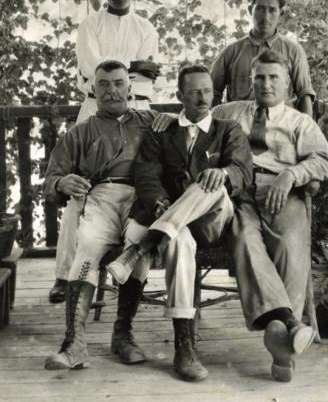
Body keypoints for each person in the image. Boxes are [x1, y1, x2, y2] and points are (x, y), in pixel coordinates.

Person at [105, 65, 253, 381]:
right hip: (173, 219)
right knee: (178, 240)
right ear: (179, 96)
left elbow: (243, 171)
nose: (203, 98)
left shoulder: (228, 130)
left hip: (213, 219)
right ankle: (184, 347)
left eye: (208, 91)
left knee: (208, 183)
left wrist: (224, 173)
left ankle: (144, 245)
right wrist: (159, 201)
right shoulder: (163, 131)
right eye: (195, 92)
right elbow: (146, 174)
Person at [212, 49, 328, 382]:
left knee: (291, 247)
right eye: (260, 78)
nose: (266, 84)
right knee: (244, 236)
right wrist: (164, 118)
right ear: (250, 82)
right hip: (240, 192)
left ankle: (281, 336)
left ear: (287, 85)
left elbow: (324, 160)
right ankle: (288, 331)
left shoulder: (299, 122)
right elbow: (193, 121)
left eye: (273, 78)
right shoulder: (228, 112)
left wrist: (292, 175)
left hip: (284, 191)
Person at [49, 0, 160, 304]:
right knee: (78, 193)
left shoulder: (146, 28)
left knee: (135, 186)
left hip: (137, 114)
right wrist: (132, 67)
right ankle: (65, 276)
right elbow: (91, 68)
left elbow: (145, 80)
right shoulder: (89, 25)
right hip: (94, 111)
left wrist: (131, 73)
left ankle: (129, 275)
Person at [42, 60, 156, 370]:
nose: (111, 90)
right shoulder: (81, 132)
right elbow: (50, 181)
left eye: (118, 83)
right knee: (88, 247)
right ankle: (74, 342)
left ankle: (123, 335)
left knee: (140, 247)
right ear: (93, 90)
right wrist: (62, 182)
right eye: (103, 84)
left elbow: (189, 134)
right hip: (101, 197)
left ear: (130, 88)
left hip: (142, 197)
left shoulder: (150, 122)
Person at [210, 0, 316, 116]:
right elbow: (212, 93)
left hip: (282, 128)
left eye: (272, 10)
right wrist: (218, 126)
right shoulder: (231, 52)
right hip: (239, 129)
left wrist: (305, 132)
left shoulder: (294, 51)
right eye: (260, 8)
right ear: (250, 10)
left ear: (281, 13)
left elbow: (304, 94)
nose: (265, 16)